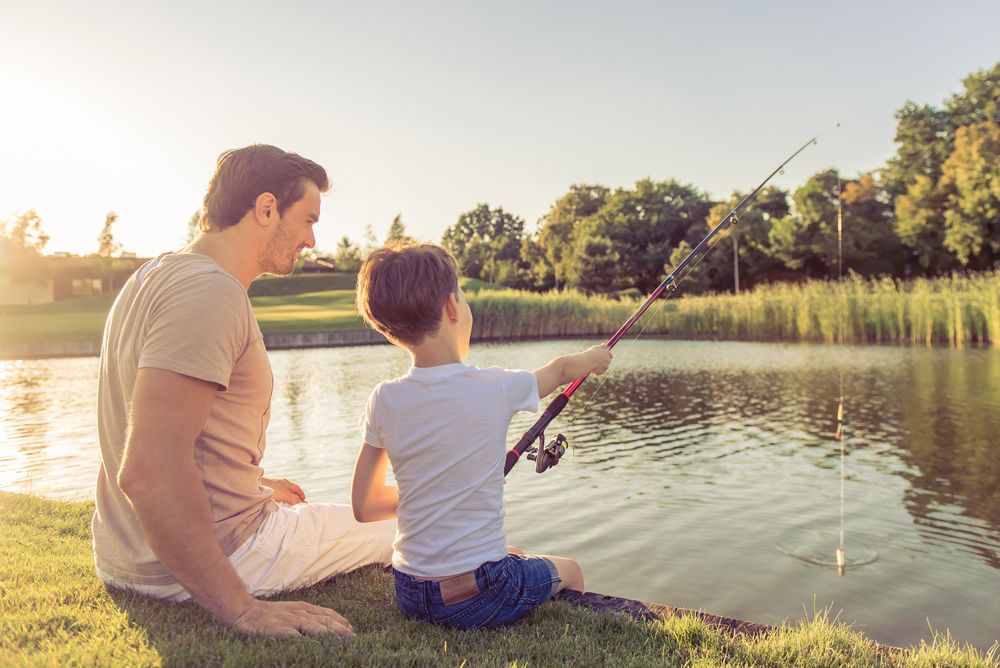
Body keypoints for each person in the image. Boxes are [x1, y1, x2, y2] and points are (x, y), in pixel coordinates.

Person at [93, 144, 394, 639]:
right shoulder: (211, 292)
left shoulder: (150, 276)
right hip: (208, 562)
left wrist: (242, 486)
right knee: (412, 525)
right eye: (308, 219)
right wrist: (242, 609)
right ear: (266, 208)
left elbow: (160, 429)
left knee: (300, 501)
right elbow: (149, 469)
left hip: (123, 555)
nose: (310, 240)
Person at [350, 240, 612, 629]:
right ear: (452, 307)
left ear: (391, 332)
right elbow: (559, 371)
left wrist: (432, 495)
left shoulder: (384, 399)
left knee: (515, 552)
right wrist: (593, 358)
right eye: (463, 295)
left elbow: (365, 505)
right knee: (569, 569)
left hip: (408, 590)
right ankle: (577, 623)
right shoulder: (494, 386)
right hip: (481, 593)